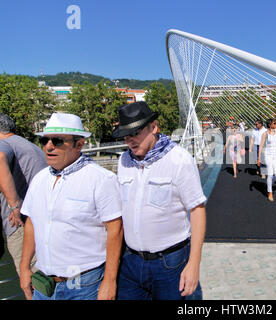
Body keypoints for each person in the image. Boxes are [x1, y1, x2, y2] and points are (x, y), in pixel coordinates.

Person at [19, 113, 123, 300]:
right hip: (43, 284)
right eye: (44, 140)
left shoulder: (101, 179)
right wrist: (24, 267)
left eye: (58, 141)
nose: (49, 147)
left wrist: (109, 281)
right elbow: (31, 223)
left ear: (79, 144)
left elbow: (115, 229)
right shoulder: (39, 179)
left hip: (85, 286)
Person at [113, 101, 206, 300]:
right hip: (130, 262)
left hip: (170, 264)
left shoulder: (178, 159)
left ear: (154, 127)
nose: (130, 140)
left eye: (135, 132)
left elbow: (197, 210)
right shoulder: (124, 161)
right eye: (126, 135)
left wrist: (194, 264)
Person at [0, 114, 46, 275]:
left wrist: (15, 205)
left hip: (20, 225)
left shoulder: (4, 144)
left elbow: (0, 157)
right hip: (39, 221)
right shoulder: (28, 145)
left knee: (33, 281)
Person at [258, 119, 276, 202]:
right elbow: (261, 146)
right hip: (268, 155)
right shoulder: (265, 134)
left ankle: (269, 184)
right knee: (270, 174)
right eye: (275, 123)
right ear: (270, 124)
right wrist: (259, 158)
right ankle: (270, 192)